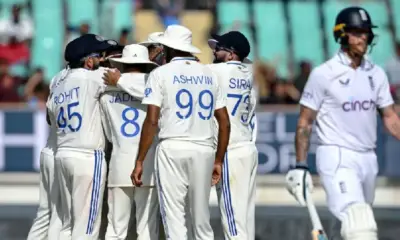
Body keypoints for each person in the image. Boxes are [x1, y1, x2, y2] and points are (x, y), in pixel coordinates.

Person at [285, 7, 400, 240]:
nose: (363, 37)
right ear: (342, 35)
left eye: (366, 32)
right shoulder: (324, 74)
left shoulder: (376, 73)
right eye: (356, 32)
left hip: (368, 158)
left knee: (355, 223)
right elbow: (305, 122)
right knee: (359, 223)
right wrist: (300, 165)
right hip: (337, 156)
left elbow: (389, 116)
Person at [131, 25, 231, 239]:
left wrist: (140, 160)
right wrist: (219, 160)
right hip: (204, 149)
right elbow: (224, 122)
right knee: (201, 219)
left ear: (168, 48)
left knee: (174, 219)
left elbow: (151, 121)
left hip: (172, 148)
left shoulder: (160, 74)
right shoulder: (209, 73)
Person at [46, 34, 138, 239]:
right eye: (101, 55)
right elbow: (140, 85)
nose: (104, 59)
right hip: (88, 157)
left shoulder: (58, 84)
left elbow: (49, 118)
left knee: (68, 224)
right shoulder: (94, 77)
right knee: (87, 226)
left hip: (63, 155)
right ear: (89, 61)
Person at [100, 44, 160, 240]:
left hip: (119, 160)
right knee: (146, 230)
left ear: (123, 64)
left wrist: (120, 82)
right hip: (149, 162)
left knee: (116, 229)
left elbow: (108, 133)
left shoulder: (107, 92)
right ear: (146, 64)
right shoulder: (155, 86)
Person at [207, 31, 258, 239]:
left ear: (230, 54)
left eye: (218, 50)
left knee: (233, 221)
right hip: (248, 148)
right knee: (245, 218)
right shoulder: (248, 75)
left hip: (229, 149)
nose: (213, 53)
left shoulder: (216, 72)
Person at [27, 70, 69, 240]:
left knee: (45, 212)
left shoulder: (57, 80)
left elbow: (48, 118)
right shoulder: (82, 81)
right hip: (63, 152)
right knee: (61, 212)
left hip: (49, 151)